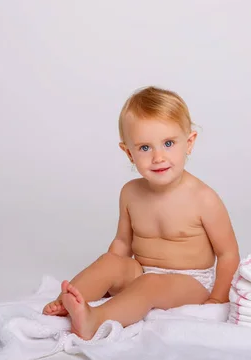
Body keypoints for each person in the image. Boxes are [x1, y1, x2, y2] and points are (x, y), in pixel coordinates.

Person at [42, 86, 240, 340]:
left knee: (150, 284)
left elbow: (228, 254)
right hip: (142, 271)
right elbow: (123, 243)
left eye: (168, 143)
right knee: (111, 261)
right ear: (128, 153)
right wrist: (111, 269)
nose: (158, 157)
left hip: (191, 283)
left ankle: (95, 320)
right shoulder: (130, 193)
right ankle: (65, 303)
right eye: (145, 148)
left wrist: (217, 298)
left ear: (189, 143)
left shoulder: (204, 199)